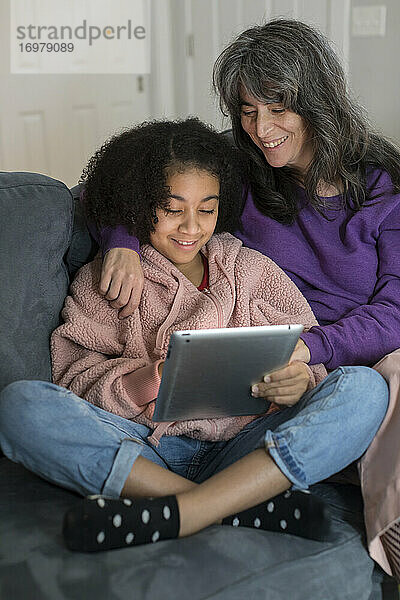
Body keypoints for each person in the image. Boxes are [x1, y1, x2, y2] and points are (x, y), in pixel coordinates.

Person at [89, 20, 400, 574]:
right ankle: (223, 503)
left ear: (318, 101)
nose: (262, 128)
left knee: (375, 384)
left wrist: (312, 348)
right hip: (261, 350)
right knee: (21, 406)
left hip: (351, 351)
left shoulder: (383, 185)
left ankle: (190, 506)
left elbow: (397, 311)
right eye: (248, 111)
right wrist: (122, 242)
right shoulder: (242, 174)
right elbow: (133, 187)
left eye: (278, 108)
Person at [0, 118, 388, 554]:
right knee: (21, 405)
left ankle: (189, 511)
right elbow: (72, 380)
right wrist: (145, 380)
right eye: (171, 209)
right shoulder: (107, 279)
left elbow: (304, 350)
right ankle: (235, 507)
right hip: (146, 450)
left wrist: (299, 383)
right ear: (140, 203)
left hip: (246, 446)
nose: (190, 227)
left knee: (365, 388)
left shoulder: (251, 269)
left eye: (206, 209)